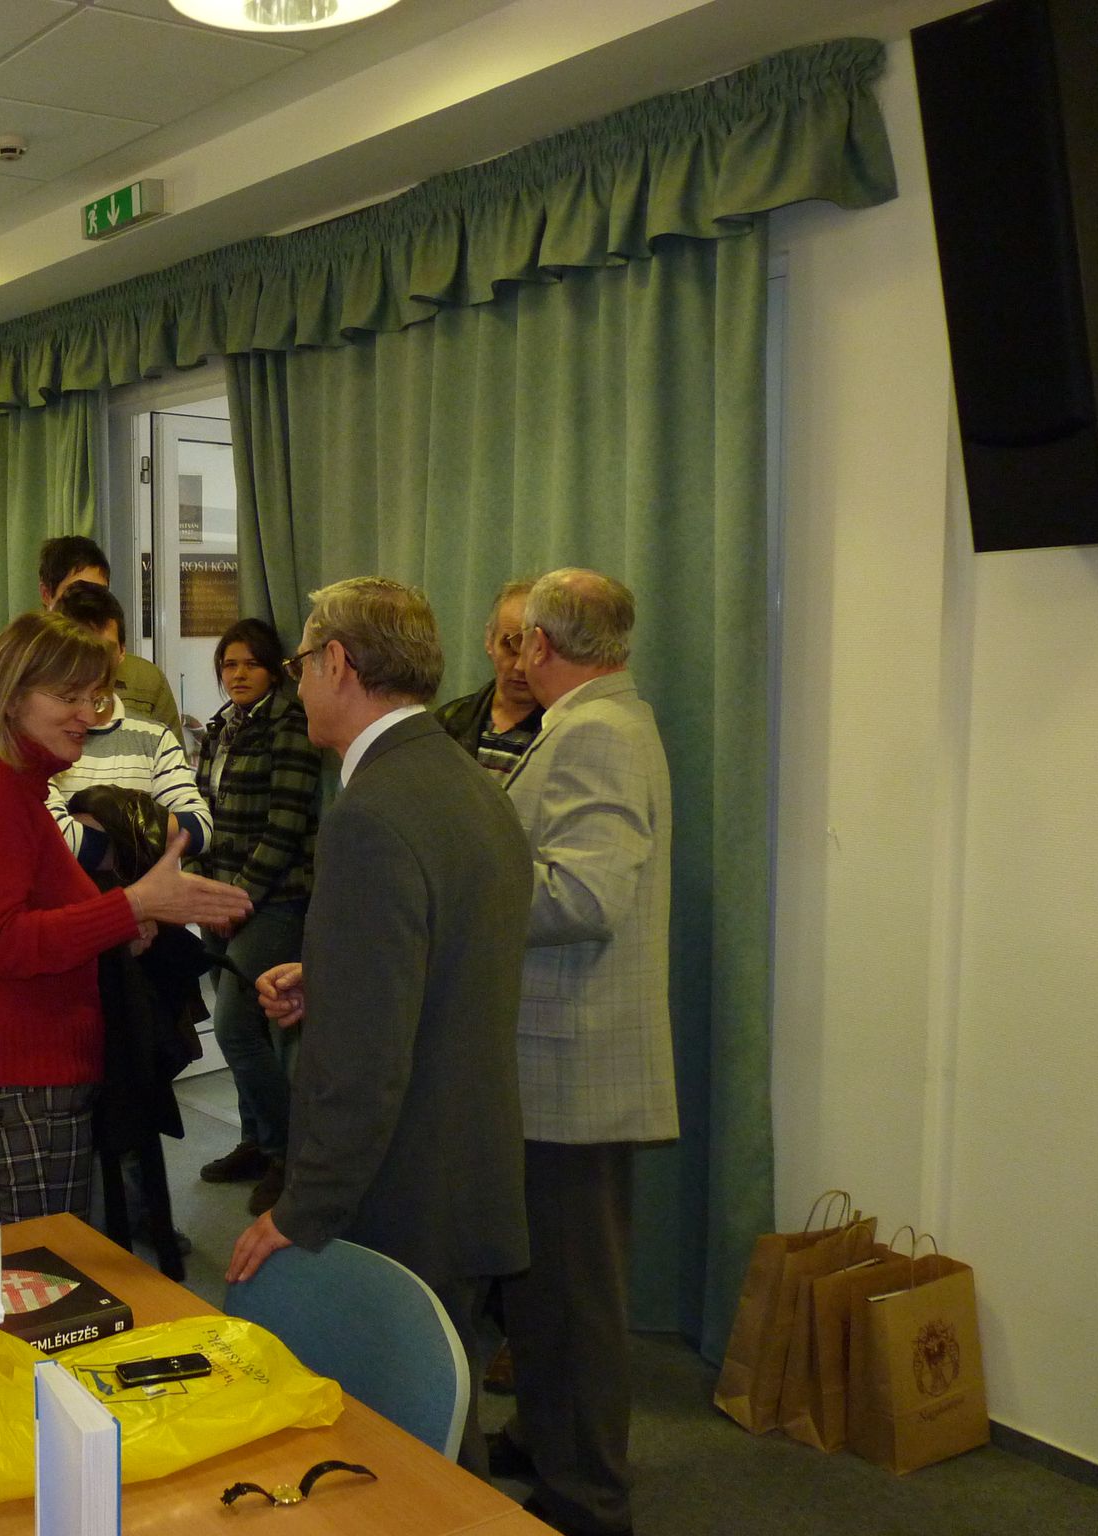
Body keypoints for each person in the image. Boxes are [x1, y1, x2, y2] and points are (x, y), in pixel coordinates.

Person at [226, 576, 532, 1480]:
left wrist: (302, 1208)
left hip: (400, 1184)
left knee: (398, 1452)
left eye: (299, 663)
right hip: (467, 1163)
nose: (296, 682)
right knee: (443, 1424)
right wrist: (334, 979)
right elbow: (448, 966)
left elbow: (362, 1066)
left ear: (336, 663)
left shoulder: (370, 813)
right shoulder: (469, 782)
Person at [0, 610, 251, 1224]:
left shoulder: (18, 787)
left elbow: (46, 918)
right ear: (12, 695)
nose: (89, 713)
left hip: (43, 1070)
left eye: (95, 697)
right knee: (44, 1269)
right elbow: (2, 943)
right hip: (29, 1076)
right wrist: (132, 906)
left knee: (40, 1259)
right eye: (68, 696)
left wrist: (124, 925)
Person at [488, 568, 677, 1536]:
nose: (512, 653)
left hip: (571, 1061)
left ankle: (587, 1496)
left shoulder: (595, 731)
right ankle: (542, 1436)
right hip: (561, 1054)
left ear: (540, 646)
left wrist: (473, 882)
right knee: (546, 1289)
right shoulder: (593, 720)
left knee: (573, 1299)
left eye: (518, 637)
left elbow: (585, 896)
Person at [190, 618, 324, 1215]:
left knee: (235, 1028)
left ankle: (289, 1154)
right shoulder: (222, 726)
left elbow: (286, 826)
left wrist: (237, 898)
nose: (238, 674)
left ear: (273, 669)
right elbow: (201, 811)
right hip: (218, 900)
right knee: (244, 1029)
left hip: (273, 901)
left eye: (250, 663)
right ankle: (254, 1142)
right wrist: (202, 890)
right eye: (229, 664)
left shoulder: (290, 723)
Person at [45, 582, 210, 866]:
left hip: (146, 897)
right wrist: (151, 836)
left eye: (105, 649)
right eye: (82, 649)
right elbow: (60, 843)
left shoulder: (154, 738)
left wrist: (120, 816)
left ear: (122, 651)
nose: (95, 663)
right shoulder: (44, 738)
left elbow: (199, 829)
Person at [35, 535, 183, 737]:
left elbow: (170, 750)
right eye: (75, 593)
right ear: (46, 595)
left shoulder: (145, 680)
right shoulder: (23, 670)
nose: (88, 603)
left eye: (99, 592)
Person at [436, 579, 545, 780]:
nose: (520, 666)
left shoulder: (559, 731)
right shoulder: (450, 722)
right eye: (509, 646)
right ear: (489, 640)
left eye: (533, 649)